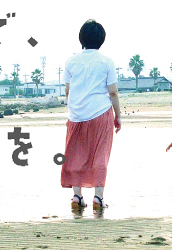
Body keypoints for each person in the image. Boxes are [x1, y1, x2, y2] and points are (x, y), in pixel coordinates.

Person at [61, 19, 122, 210]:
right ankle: (98, 197)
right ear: (101, 39)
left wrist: (72, 112)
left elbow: (68, 91)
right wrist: (118, 116)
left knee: (77, 155)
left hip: (76, 114)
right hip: (100, 112)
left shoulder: (71, 61)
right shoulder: (107, 61)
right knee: (100, 155)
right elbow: (113, 92)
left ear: (82, 38)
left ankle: (77, 196)